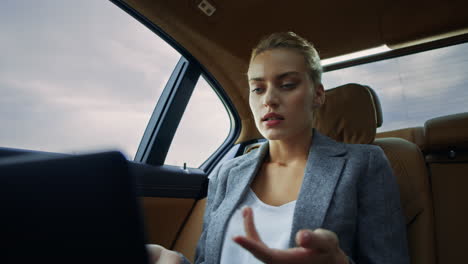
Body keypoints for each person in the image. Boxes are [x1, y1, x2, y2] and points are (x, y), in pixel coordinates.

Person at [148, 32, 410, 264]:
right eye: (258, 88)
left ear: (318, 94)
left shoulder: (363, 163)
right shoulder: (226, 173)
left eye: (287, 85)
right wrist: (172, 260)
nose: (269, 100)